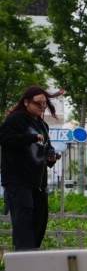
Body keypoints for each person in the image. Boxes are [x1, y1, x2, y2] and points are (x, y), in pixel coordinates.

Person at [0, 86, 60, 251]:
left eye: (45, 103)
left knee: (39, 223)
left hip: (38, 183)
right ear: (26, 102)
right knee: (24, 225)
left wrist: (51, 156)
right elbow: (5, 139)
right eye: (38, 103)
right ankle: (22, 259)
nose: (42, 107)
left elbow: (46, 148)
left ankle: (32, 256)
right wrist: (30, 138)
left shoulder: (42, 125)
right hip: (18, 181)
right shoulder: (16, 119)